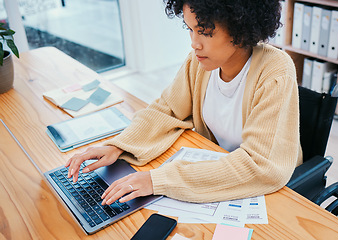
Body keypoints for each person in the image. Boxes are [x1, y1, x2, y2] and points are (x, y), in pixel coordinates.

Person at [66, 0, 303, 205]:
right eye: (190, 29)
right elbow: (165, 109)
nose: (194, 43)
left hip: (265, 189)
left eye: (205, 32)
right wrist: (118, 146)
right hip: (216, 172)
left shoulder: (275, 71)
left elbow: (258, 165)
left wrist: (157, 180)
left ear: (240, 28)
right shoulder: (198, 64)